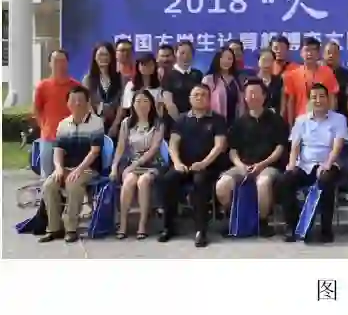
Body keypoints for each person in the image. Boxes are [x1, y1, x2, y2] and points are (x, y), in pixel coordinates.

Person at [215, 80, 288, 238]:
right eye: (249, 93)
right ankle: (233, 217)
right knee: (222, 185)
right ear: (245, 98)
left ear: (264, 96)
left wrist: (262, 164)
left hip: (268, 166)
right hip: (243, 165)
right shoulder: (239, 123)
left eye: (256, 93)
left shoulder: (276, 120)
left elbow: (280, 148)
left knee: (263, 183)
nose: (253, 96)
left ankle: (263, 221)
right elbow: (233, 150)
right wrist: (240, 165)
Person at [157, 84, 228, 247]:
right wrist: (177, 163)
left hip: (209, 166)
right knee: (168, 179)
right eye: (196, 95)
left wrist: (204, 163)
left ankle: (200, 230)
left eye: (203, 95)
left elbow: (219, 146)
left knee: (199, 182)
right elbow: (173, 144)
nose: (199, 98)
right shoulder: (182, 119)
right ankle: (168, 227)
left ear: (209, 99)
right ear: (190, 99)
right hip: (184, 165)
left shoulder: (217, 119)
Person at [279, 83, 347, 243]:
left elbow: (337, 146)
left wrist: (327, 163)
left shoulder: (338, 119)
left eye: (322, 96)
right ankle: (292, 227)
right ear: (309, 100)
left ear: (328, 99)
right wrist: (291, 164)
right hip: (304, 165)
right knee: (286, 179)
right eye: (314, 97)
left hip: (328, 164)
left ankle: (326, 230)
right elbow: (295, 146)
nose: (318, 100)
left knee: (326, 180)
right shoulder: (301, 120)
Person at [38, 86, 104, 243]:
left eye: (80, 100)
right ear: (68, 103)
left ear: (88, 102)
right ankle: (54, 228)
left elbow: (94, 152)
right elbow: (58, 150)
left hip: (88, 168)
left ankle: (71, 229)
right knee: (49, 185)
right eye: (73, 100)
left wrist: (79, 170)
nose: (77, 103)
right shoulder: (63, 124)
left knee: (73, 183)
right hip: (67, 168)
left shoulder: (96, 122)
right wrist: (58, 168)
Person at [110, 89, 165, 239]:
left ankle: (142, 224)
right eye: (138, 101)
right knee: (129, 181)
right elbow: (120, 148)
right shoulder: (126, 123)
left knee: (143, 181)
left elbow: (154, 149)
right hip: (131, 163)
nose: (141, 105)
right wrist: (114, 167)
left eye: (145, 101)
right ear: (133, 104)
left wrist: (135, 165)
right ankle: (123, 223)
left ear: (151, 104)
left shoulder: (158, 123)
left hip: (152, 163)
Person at [33, 50, 82, 177]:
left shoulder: (76, 86)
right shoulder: (42, 86)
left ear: (67, 63)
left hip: (71, 138)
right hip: (49, 138)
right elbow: (37, 110)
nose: (60, 64)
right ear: (50, 64)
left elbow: (83, 110)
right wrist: (44, 127)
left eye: (62, 61)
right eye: (56, 61)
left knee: (70, 176)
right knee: (48, 177)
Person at [283, 37, 339, 122]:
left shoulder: (327, 72)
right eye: (306, 50)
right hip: (301, 121)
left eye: (313, 50)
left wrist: (331, 120)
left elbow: (332, 99)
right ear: (301, 53)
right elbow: (291, 102)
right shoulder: (293, 74)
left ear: (318, 53)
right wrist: (291, 125)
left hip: (323, 120)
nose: (309, 53)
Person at [83, 42, 124, 138]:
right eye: (100, 55)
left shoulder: (120, 78)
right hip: (95, 127)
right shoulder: (88, 79)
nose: (103, 58)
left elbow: (123, 103)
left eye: (106, 54)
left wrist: (115, 125)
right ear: (95, 57)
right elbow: (87, 103)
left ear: (111, 57)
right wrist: (96, 123)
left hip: (117, 127)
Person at [162, 40, 204, 120]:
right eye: (182, 53)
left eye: (189, 53)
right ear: (175, 53)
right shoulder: (168, 75)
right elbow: (169, 103)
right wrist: (181, 122)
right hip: (175, 121)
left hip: (196, 120)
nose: (185, 56)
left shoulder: (198, 74)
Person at [202, 47, 245, 126]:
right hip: (213, 124)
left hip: (234, 124)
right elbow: (203, 103)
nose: (226, 61)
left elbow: (241, 104)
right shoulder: (208, 80)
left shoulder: (237, 80)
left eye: (230, 59)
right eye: (223, 58)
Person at [323, 41, 348, 116]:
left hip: (342, 116)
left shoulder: (347, 75)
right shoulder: (318, 73)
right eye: (328, 52)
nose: (331, 55)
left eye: (335, 53)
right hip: (321, 117)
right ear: (323, 55)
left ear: (339, 55)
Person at [254, 49, 285, 114]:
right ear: (258, 61)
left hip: (275, 117)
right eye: (264, 60)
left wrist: (280, 117)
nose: (267, 64)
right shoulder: (252, 81)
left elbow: (282, 102)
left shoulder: (279, 80)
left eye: (270, 60)